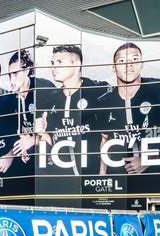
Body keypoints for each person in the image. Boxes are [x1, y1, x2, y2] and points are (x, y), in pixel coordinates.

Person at [98, 42, 160, 175]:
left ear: (142, 64)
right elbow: (104, 139)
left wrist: (147, 160)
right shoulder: (104, 100)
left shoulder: (159, 89)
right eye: (122, 61)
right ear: (114, 68)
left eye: (134, 59)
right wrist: (102, 174)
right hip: (120, 177)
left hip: (156, 176)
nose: (129, 65)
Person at [35, 44, 109, 176]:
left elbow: (108, 136)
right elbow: (52, 141)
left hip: (91, 176)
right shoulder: (50, 98)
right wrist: (42, 133)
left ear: (76, 64)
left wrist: (102, 172)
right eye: (52, 63)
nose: (54, 67)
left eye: (59, 62)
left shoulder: (97, 91)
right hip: (61, 179)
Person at [8, 49, 55, 174]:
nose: (11, 80)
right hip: (34, 155)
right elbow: (23, 130)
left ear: (27, 70)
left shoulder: (44, 89)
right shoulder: (14, 99)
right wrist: (24, 147)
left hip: (53, 155)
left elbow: (55, 133)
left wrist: (32, 140)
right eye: (9, 75)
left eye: (16, 73)